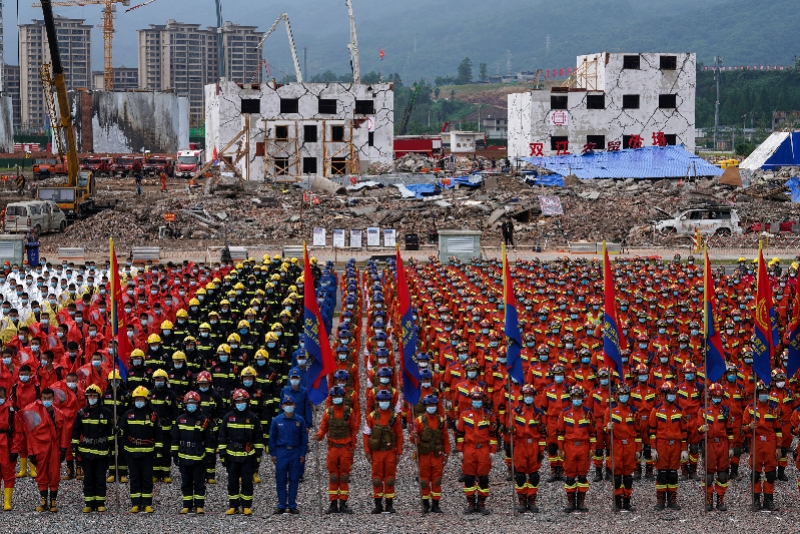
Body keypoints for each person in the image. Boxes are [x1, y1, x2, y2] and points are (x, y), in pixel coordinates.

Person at [14, 388, 69, 512]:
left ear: (53, 398)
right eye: (44, 398)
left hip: (54, 448)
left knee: (55, 474)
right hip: (40, 448)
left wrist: (64, 448)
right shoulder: (34, 413)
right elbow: (30, 435)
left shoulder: (59, 414)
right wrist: (31, 452)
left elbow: (64, 432)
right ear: (41, 398)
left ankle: (53, 502)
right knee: (41, 474)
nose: (47, 401)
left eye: (49, 398)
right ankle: (44, 501)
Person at [218, 388, 263, 516]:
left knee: (247, 481)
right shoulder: (228, 417)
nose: (240, 403)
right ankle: (234, 506)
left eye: (243, 401)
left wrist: (258, 456)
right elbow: (222, 437)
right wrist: (222, 455)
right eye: (238, 401)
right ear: (234, 402)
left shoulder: (253, 418)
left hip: (248, 456)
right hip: (232, 455)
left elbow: (258, 438)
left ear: (247, 402)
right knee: (232, 481)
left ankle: (246, 506)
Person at [71, 384, 113, 513]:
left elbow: (111, 433)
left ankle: (100, 502)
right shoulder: (82, 413)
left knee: (100, 478)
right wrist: (74, 447)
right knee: (88, 478)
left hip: (101, 451)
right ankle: (89, 502)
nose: (92, 398)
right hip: (86, 452)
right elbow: (76, 431)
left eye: (94, 396)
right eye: (90, 396)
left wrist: (112, 448)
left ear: (99, 397)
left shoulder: (107, 413)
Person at [316, 386, 358, 514]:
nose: (337, 399)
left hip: (345, 447)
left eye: (339, 397)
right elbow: (324, 427)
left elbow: (353, 429)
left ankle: (343, 503)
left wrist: (352, 447)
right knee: (333, 476)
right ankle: (333, 503)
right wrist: (319, 435)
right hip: (333, 447)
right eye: (335, 397)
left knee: (344, 476)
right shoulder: (328, 412)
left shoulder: (349, 412)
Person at [119, 385, 161, 513]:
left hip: (148, 452)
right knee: (135, 477)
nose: (139, 402)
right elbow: (123, 430)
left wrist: (158, 451)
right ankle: (136, 503)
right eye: (137, 399)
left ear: (146, 400)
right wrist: (117, 430)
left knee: (147, 478)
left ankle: (147, 503)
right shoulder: (128, 414)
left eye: (141, 399)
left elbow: (158, 434)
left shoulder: (153, 415)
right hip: (132, 452)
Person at [455, 386, 496, 515]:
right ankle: (471, 503)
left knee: (484, 478)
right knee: (469, 478)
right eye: (474, 399)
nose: (477, 401)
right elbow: (460, 434)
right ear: (471, 400)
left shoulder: (489, 415)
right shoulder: (465, 415)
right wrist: (460, 450)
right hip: (469, 449)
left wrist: (492, 451)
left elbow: (494, 434)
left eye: (479, 399)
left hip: (483, 449)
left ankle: (482, 503)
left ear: (483, 400)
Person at [172, 390, 214, 514]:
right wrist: (174, 454)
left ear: (198, 404)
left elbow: (209, 440)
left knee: (199, 482)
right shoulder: (180, 420)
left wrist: (209, 455)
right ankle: (187, 505)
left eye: (194, 403)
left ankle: (199, 505)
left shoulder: (204, 420)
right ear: (184, 404)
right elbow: (175, 438)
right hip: (184, 455)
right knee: (186, 482)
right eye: (189, 403)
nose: (191, 405)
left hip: (199, 456)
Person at [743, 381, 782, 511]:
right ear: (757, 394)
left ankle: (768, 500)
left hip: (771, 443)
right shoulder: (750, 408)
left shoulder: (774, 408)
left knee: (771, 473)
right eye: (761, 393)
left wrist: (779, 447)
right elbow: (743, 429)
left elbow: (778, 430)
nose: (764, 395)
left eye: (766, 393)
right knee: (755, 473)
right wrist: (749, 427)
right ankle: (755, 500)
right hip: (757, 442)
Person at [364, 389, 403, 514]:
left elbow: (399, 436)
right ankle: (378, 504)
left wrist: (399, 452)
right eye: (382, 401)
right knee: (376, 478)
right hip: (377, 453)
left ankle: (390, 504)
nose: (384, 403)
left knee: (390, 478)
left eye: (386, 400)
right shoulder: (371, 417)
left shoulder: (395, 417)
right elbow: (366, 435)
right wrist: (367, 452)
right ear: (378, 402)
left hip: (390, 452)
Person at [649, 381, 687, 511]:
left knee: (673, 474)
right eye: (670, 394)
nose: (672, 396)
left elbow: (684, 432)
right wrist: (653, 449)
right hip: (661, 446)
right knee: (662, 474)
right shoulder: (656, 410)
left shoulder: (680, 411)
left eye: (673, 394)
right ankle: (660, 501)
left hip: (675, 445)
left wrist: (684, 449)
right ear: (664, 394)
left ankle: (672, 500)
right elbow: (652, 431)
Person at [603, 383, 640, 512]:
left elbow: (638, 431)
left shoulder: (634, 411)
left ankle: (627, 501)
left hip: (630, 445)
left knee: (628, 476)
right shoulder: (611, 411)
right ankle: (617, 501)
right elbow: (604, 428)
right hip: (617, 445)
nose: (623, 397)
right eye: (621, 394)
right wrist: (608, 428)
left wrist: (638, 449)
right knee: (617, 476)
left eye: (626, 394)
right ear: (617, 396)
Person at [558, 385, 595, 513]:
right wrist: (560, 449)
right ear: (571, 398)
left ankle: (581, 502)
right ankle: (570, 503)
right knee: (569, 476)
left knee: (582, 476)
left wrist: (593, 448)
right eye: (575, 397)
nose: (577, 399)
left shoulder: (588, 413)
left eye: (579, 397)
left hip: (584, 447)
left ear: (582, 398)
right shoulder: (564, 413)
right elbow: (560, 433)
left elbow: (593, 433)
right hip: (569, 447)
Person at [269, 395, 308, 515]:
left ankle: (292, 504)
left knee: (294, 479)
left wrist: (302, 453)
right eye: (286, 405)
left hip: (295, 452)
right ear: (282, 406)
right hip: (281, 451)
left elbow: (304, 439)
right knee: (280, 479)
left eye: (291, 404)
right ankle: (281, 504)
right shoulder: (276, 421)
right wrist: (273, 453)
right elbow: (272, 438)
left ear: (294, 406)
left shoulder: (300, 420)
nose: (289, 407)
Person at [412, 393, 450, 513]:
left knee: (437, 480)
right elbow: (413, 440)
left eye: (433, 405)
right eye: (429, 405)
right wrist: (413, 436)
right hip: (424, 455)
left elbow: (445, 439)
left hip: (437, 454)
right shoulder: (418, 421)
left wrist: (446, 454)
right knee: (424, 480)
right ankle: (425, 504)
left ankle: (436, 504)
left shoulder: (441, 421)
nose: (431, 407)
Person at [698, 383, 732, 512]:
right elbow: (698, 427)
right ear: (710, 396)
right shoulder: (703, 410)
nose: (717, 398)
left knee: (723, 474)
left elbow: (730, 430)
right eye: (714, 396)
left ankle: (720, 498)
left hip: (723, 444)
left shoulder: (725, 411)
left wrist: (731, 447)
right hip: (710, 444)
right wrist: (702, 429)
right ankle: (708, 499)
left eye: (719, 396)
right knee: (709, 475)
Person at [511, 384, 545, 513]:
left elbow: (543, 434)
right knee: (520, 475)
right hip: (520, 445)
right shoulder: (516, 412)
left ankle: (531, 500)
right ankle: (522, 500)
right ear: (523, 396)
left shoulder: (539, 414)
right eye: (526, 395)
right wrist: (509, 431)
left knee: (534, 475)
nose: (528, 398)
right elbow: (511, 430)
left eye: (530, 395)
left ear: (534, 396)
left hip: (534, 445)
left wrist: (541, 451)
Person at [0, 386, 15, 511]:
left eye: (1, 396)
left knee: (8, 473)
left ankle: (7, 501)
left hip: (7, 443)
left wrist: (15, 449)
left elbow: (17, 432)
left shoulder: (10, 411)